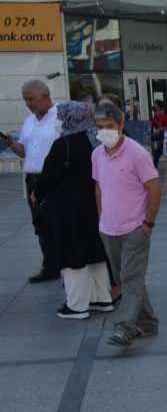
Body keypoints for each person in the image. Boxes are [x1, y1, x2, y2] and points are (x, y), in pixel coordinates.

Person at [31, 102, 113, 319]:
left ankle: (77, 305)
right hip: (96, 204)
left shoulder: (64, 144)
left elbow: (48, 177)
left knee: (71, 252)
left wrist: (36, 194)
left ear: (70, 118)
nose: (58, 120)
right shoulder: (98, 139)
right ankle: (101, 298)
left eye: (60, 116)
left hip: (68, 208)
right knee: (96, 251)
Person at [91, 102, 162, 347]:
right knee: (127, 278)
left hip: (135, 229)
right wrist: (102, 219)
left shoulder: (137, 154)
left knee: (130, 278)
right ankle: (149, 322)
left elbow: (155, 188)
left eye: (109, 126)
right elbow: (99, 187)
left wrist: (148, 223)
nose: (104, 131)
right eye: (100, 127)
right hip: (109, 229)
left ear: (121, 125)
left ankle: (125, 327)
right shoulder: (97, 154)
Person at [2, 80, 61, 283]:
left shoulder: (59, 117)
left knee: (59, 223)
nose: (28, 103)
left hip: (54, 179)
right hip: (32, 179)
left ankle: (68, 267)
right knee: (40, 225)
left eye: (31, 99)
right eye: (25, 99)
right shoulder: (29, 121)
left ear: (45, 96)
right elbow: (24, 152)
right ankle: (50, 267)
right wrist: (11, 144)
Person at [151, 101, 167, 169]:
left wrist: (159, 129)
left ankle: (154, 166)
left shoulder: (165, 116)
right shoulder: (156, 116)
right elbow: (152, 124)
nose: (156, 111)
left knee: (159, 151)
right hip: (159, 136)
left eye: (156, 109)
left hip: (164, 137)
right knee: (157, 151)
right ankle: (154, 165)